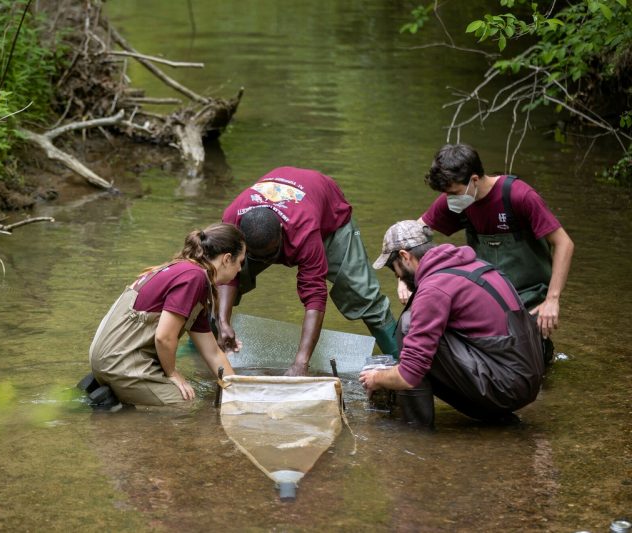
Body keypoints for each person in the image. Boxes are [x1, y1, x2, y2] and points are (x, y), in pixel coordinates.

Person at [361, 220, 545, 428]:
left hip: (506, 386)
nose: (397, 276)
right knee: (420, 337)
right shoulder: (477, 265)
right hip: (526, 378)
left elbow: (410, 374)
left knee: (408, 325)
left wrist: (377, 378)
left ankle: (414, 430)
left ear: (405, 256)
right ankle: (496, 416)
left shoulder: (435, 287)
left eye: (393, 268)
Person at [217, 166, 398, 376]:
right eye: (256, 257)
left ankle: (404, 362)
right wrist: (223, 321)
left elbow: (315, 296)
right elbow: (224, 273)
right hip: (265, 231)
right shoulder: (232, 220)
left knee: (363, 294)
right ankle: (214, 338)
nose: (266, 262)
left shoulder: (305, 230)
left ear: (283, 236)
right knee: (219, 274)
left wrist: (301, 363)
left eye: (271, 255)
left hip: (328, 218)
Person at [400, 144, 574, 358]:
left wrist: (552, 299)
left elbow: (564, 243)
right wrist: (405, 276)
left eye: (453, 192)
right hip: (487, 293)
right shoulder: (458, 199)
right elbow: (414, 234)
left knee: (525, 357)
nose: (449, 198)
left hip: (529, 295)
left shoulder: (519, 196)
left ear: (473, 180)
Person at [88, 223, 245, 406]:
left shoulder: (183, 270)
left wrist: (239, 391)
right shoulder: (194, 277)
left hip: (107, 358)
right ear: (227, 259)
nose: (240, 270)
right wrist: (172, 373)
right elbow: (164, 337)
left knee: (195, 392)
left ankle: (111, 401)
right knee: (189, 407)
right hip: (120, 364)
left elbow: (212, 353)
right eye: (240, 262)